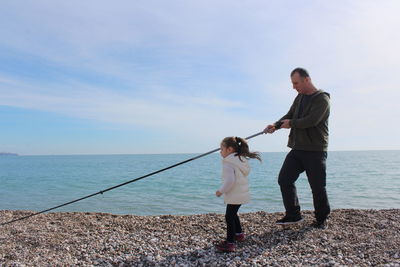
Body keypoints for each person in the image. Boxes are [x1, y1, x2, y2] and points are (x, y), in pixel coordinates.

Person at [264, 67, 331, 229]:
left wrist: (290, 124)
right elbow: (290, 115)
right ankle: (294, 215)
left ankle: (322, 219)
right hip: (298, 148)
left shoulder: (322, 99)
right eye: (293, 83)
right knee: (284, 179)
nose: (294, 87)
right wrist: (276, 125)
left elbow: (312, 120)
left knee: (317, 186)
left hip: (315, 150)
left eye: (296, 83)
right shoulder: (299, 97)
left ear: (306, 79)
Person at [215, 136, 261, 252]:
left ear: (229, 149)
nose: (220, 152)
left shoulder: (228, 163)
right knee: (233, 214)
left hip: (235, 194)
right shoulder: (240, 159)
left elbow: (230, 181)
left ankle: (230, 243)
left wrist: (221, 191)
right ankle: (239, 234)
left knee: (229, 216)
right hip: (241, 194)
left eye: (221, 149)